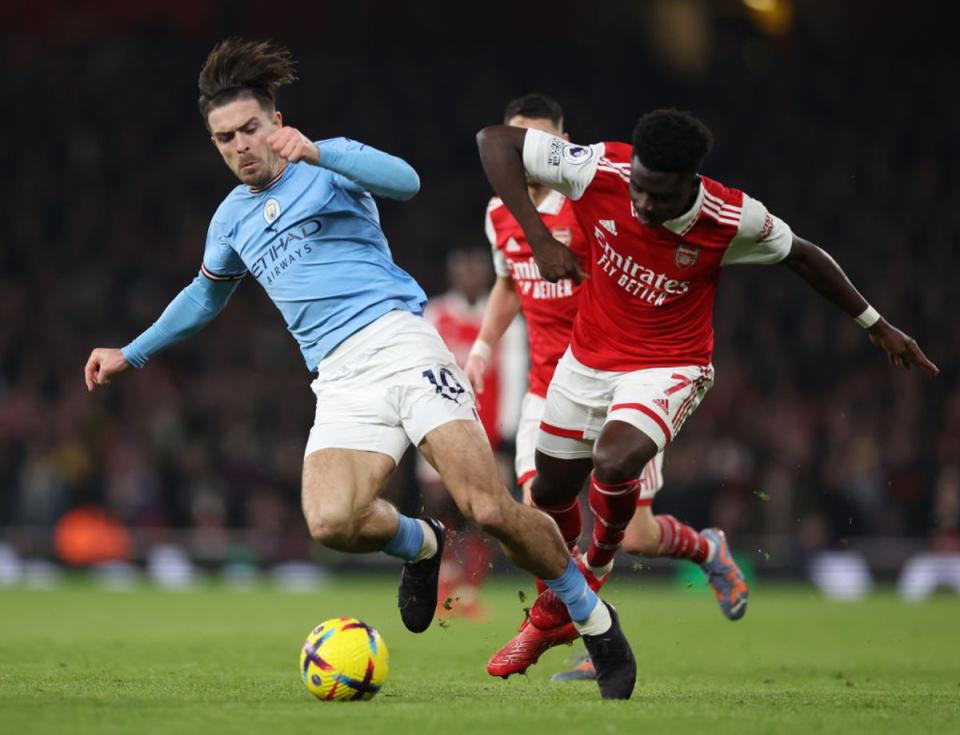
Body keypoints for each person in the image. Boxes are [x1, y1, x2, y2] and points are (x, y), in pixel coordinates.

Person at [81, 38, 636, 699]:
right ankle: (423, 544)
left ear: (275, 122)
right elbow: (205, 295)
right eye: (224, 138)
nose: (239, 146)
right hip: (338, 377)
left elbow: (407, 180)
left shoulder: (325, 163)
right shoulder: (230, 219)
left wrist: (318, 150)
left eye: (250, 129)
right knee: (330, 522)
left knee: (487, 506)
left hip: (401, 342)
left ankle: (595, 622)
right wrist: (130, 351)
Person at [476, 107, 939, 677]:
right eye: (639, 189)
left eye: (659, 196)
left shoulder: (731, 217)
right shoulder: (601, 168)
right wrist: (539, 237)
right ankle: (631, 579)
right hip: (584, 362)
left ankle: (583, 593)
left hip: (669, 364)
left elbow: (804, 256)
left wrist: (876, 324)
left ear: (690, 183)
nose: (643, 204)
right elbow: (493, 141)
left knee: (613, 461)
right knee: (549, 500)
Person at [471, 97, 748, 680]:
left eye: (540, 142)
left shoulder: (592, 203)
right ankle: (596, 629)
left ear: (561, 142)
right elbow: (507, 282)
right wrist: (482, 347)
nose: (530, 157)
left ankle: (706, 551)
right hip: (549, 389)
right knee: (539, 524)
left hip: (625, 379)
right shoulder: (502, 213)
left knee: (639, 537)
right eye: (520, 141)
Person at [419, 248, 525, 620]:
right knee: (439, 503)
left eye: (476, 269)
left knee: (486, 512)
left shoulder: (501, 317)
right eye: (462, 268)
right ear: (452, 273)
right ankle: (443, 581)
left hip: (488, 434)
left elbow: (514, 376)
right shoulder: (435, 313)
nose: (469, 276)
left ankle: (470, 589)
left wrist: (508, 433)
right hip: (439, 427)